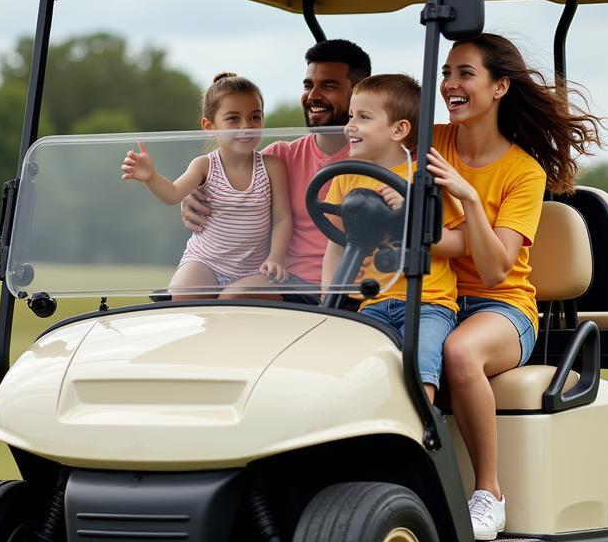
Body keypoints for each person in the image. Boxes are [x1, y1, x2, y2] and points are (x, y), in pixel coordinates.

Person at [426, 34, 605, 540]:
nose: (450, 85)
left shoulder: (521, 172)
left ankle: (489, 493)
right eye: (446, 73)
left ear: (500, 85)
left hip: (500, 309)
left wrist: (468, 200)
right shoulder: (429, 141)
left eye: (465, 74)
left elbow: (497, 265)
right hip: (431, 295)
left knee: (459, 354)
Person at [181, 39, 372, 300]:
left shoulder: (380, 160)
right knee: (210, 299)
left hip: (353, 292)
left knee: (235, 299)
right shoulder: (278, 157)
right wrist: (192, 195)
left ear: (359, 92)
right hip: (288, 284)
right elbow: (225, 177)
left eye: (328, 86)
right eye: (308, 85)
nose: (313, 95)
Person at [322, 74, 466, 401]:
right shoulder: (345, 176)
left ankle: (418, 433)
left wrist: (409, 213)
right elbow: (334, 243)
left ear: (398, 130)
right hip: (373, 302)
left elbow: (458, 242)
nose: (350, 126)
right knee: (354, 371)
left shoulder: (425, 180)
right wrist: (329, 296)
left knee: (419, 368)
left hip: (427, 303)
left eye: (363, 117)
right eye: (350, 117)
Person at [121, 72, 291, 297]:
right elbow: (173, 194)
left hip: (254, 269)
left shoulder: (271, 166)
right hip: (205, 262)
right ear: (209, 126)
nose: (246, 126)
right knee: (181, 293)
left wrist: (275, 259)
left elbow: (282, 218)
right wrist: (151, 177)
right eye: (233, 119)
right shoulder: (204, 166)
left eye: (255, 117)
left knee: (233, 297)